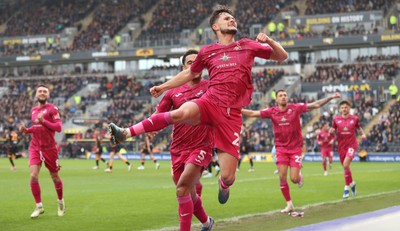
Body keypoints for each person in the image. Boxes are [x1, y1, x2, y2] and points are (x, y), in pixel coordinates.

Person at [108, 5, 288, 205]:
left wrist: (269, 41)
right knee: (178, 114)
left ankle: (224, 184)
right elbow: (189, 73)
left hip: (231, 116)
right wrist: (163, 87)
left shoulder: (247, 45)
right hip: (210, 102)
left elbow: (282, 56)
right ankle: (125, 133)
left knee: (228, 176)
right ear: (215, 26)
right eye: (226, 18)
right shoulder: (207, 52)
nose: (232, 20)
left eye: (233, 18)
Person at [242, 90, 340, 213]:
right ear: (276, 100)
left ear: (287, 98)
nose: (283, 97)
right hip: (281, 149)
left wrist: (330, 97)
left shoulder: (295, 108)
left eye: (285, 95)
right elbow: (252, 113)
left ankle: (299, 176)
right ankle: (289, 204)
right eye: (280, 96)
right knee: (282, 177)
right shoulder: (272, 111)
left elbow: (316, 105)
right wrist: (237, 109)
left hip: (295, 149)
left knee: (293, 179)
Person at [153, 49, 214, 230]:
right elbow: (159, 114)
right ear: (183, 67)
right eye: (190, 63)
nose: (194, 65)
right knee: (189, 193)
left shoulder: (210, 87)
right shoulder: (173, 92)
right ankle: (206, 222)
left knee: (181, 189)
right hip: (178, 148)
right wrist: (149, 129)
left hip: (201, 146)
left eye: (197, 62)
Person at [19, 85, 65, 218]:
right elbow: (36, 127)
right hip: (35, 147)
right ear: (36, 94)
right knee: (33, 175)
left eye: (45, 91)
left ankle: (60, 202)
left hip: (49, 148)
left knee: (55, 177)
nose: (42, 93)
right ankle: (39, 206)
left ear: (48, 95)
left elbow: (59, 127)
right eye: (40, 91)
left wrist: (44, 121)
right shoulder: (33, 110)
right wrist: (27, 130)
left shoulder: (52, 109)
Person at [330, 100, 366, 199]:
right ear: (340, 109)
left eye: (346, 107)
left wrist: (362, 134)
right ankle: (352, 184)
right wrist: (331, 132)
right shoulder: (336, 119)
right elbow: (332, 132)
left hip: (352, 145)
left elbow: (359, 129)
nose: (344, 109)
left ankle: (346, 188)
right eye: (342, 108)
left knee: (346, 164)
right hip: (341, 146)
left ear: (349, 108)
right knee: (346, 167)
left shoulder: (355, 119)